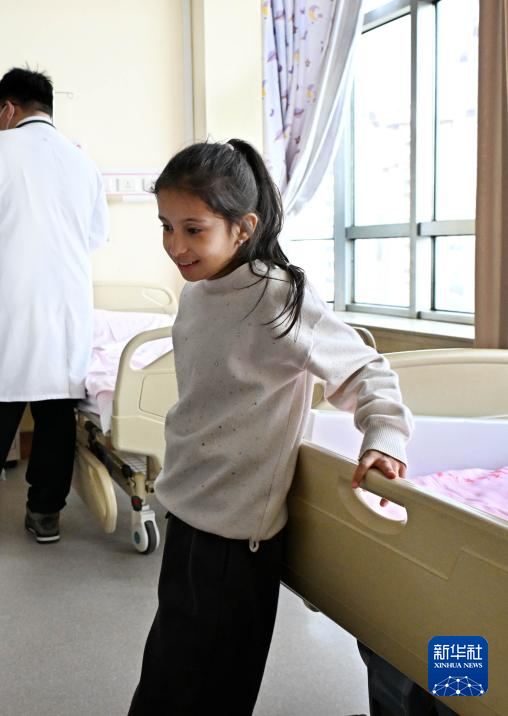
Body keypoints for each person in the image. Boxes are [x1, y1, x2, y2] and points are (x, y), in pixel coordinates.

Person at [127, 139, 413, 715]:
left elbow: (367, 370)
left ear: (243, 228)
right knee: (165, 676)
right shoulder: (197, 293)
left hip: (236, 540)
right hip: (186, 511)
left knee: (209, 692)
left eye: (193, 229)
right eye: (166, 227)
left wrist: (384, 437)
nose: (175, 246)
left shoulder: (277, 298)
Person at [0, 67, 108, 543]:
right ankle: (45, 513)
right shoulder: (82, 161)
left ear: (9, 108)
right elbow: (96, 235)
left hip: (11, 300)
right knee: (57, 410)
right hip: (67, 302)